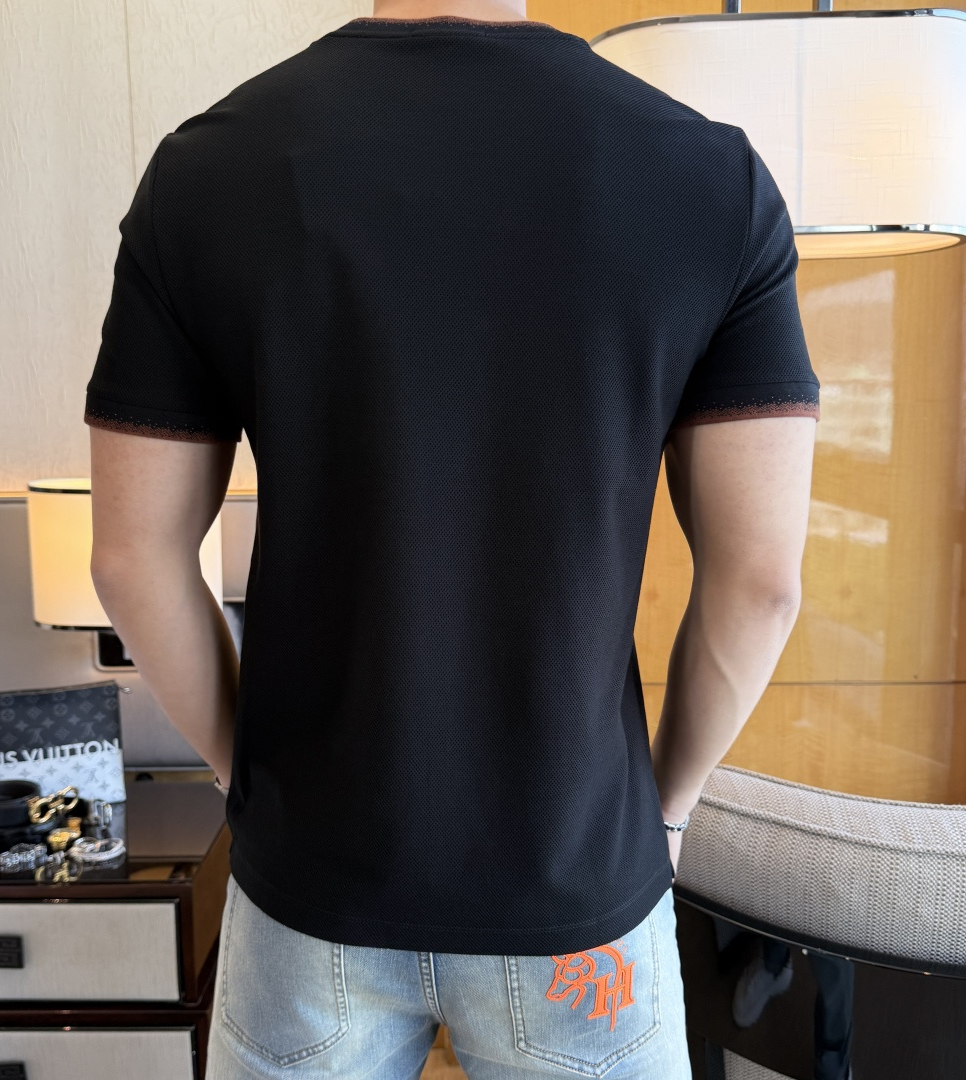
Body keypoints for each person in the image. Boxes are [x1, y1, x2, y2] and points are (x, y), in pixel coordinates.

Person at [83, 2, 818, 1077]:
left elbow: (129, 559)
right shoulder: (711, 180)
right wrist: (660, 819)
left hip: (312, 880)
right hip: (576, 891)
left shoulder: (208, 171)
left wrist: (257, 781)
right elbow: (761, 584)